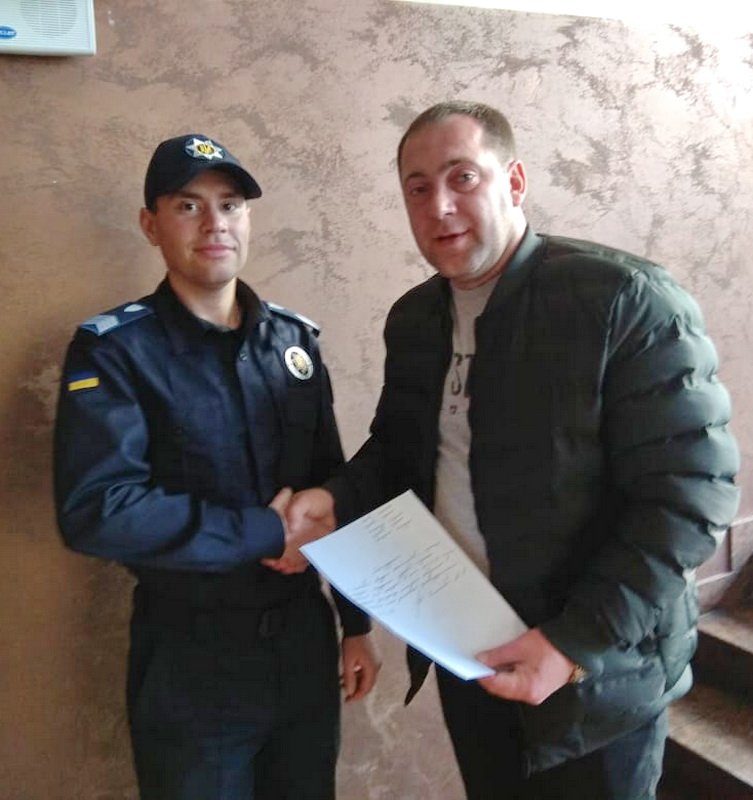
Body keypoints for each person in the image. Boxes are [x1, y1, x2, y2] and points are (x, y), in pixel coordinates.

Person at [279, 102, 740, 799]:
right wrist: (334, 499)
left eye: (462, 177)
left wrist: (571, 644)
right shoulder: (414, 319)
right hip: (469, 650)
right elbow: (399, 452)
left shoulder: (624, 300)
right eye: (417, 187)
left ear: (514, 181)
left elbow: (690, 499)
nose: (439, 205)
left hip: (597, 670)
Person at [53, 133, 379, 800]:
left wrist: (356, 624)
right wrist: (265, 532)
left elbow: (330, 485)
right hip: (192, 656)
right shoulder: (115, 352)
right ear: (151, 225)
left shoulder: (292, 343)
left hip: (302, 644)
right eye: (188, 206)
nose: (214, 224)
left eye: (230, 205)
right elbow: (98, 510)